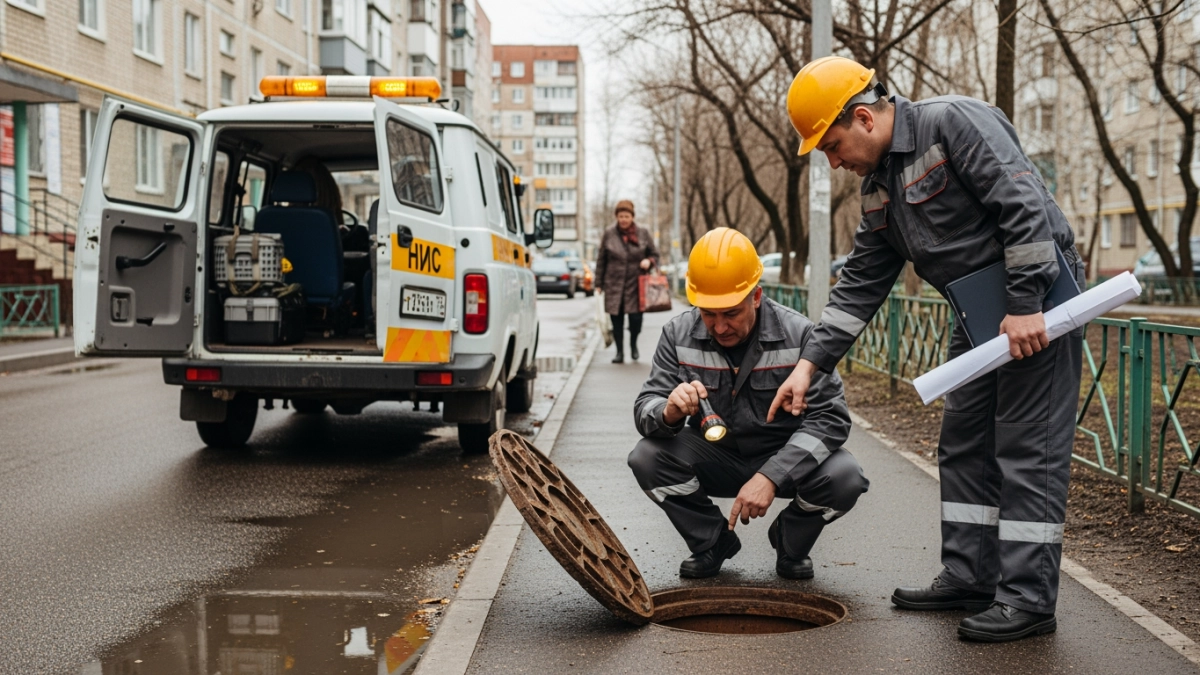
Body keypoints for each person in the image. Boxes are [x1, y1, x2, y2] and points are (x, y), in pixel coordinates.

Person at [771, 56, 1085, 642]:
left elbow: (1023, 208)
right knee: (964, 441)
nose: (833, 162)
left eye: (833, 146)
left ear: (864, 118)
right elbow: (861, 281)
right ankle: (970, 576)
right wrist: (810, 364)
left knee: (1026, 446)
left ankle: (1027, 600)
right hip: (977, 313)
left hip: (1035, 303)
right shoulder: (878, 187)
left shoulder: (954, 123)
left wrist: (1024, 304)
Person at [628, 228, 869, 580]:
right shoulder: (677, 334)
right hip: (715, 455)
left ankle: (791, 541)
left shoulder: (800, 335)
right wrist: (668, 412)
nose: (719, 327)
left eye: (731, 313)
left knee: (845, 477)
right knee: (646, 457)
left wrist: (772, 476)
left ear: (756, 296)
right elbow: (645, 405)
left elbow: (831, 419)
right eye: (708, 314)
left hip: (783, 455)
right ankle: (712, 541)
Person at [594, 200, 660, 363]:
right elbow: (601, 259)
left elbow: (655, 254)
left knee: (636, 319)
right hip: (614, 283)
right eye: (621, 216)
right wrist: (598, 283)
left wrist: (649, 261)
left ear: (632, 217)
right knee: (616, 320)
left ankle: (633, 344)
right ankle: (619, 352)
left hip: (636, 284)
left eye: (627, 216)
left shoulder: (643, 233)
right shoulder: (609, 233)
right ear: (616, 217)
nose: (623, 219)